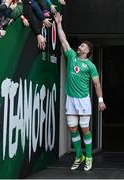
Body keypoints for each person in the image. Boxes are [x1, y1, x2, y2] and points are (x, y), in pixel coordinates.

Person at [54, 12, 106, 171]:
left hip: (83, 100)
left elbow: (97, 84)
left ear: (87, 51)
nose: (80, 46)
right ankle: (79, 155)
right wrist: (58, 24)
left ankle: (88, 156)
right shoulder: (71, 56)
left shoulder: (90, 66)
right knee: (72, 128)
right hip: (70, 99)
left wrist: (100, 100)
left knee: (85, 129)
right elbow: (63, 40)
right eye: (80, 45)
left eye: (83, 46)